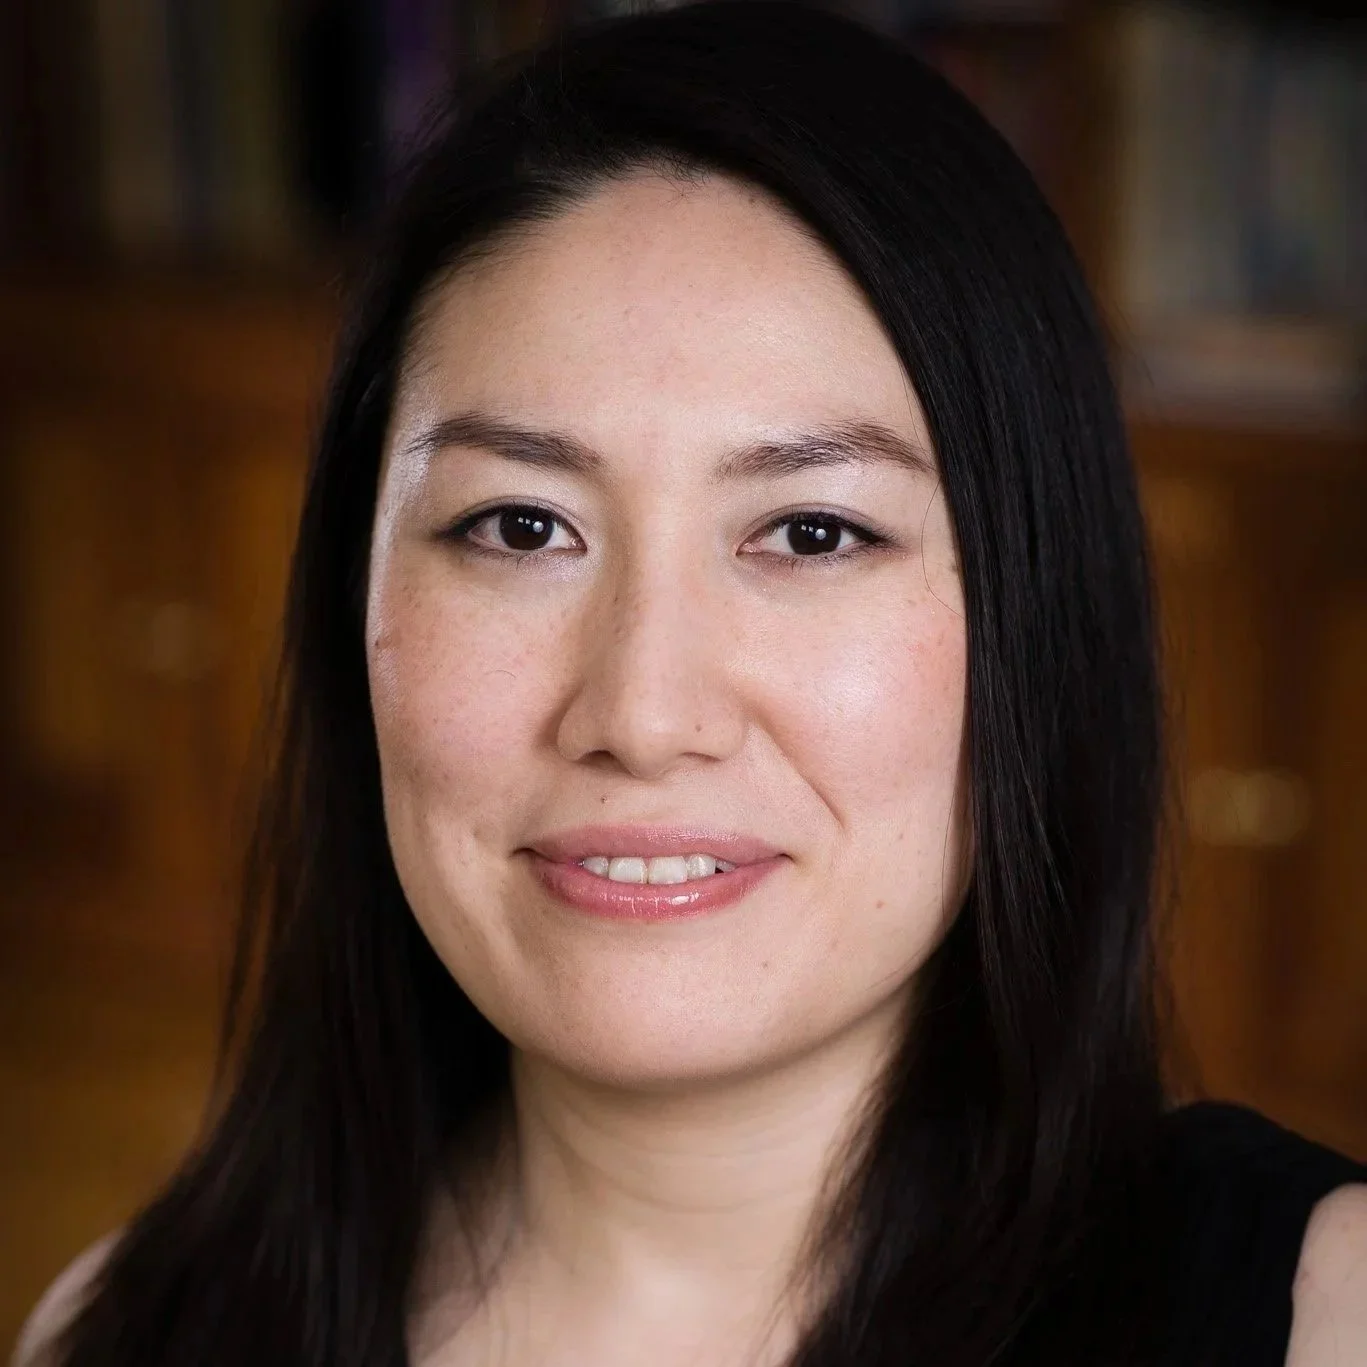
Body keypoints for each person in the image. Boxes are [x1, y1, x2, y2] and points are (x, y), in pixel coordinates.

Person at [15, 3, 1367, 1365]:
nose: (643, 717)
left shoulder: (1327, 1314)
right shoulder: (120, 1330)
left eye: (812, 533)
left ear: (1038, 619)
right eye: (520, 527)